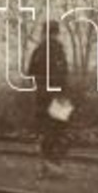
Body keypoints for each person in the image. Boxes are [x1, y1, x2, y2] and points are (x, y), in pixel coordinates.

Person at [27, 20, 72, 177]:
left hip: (42, 97)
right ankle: (56, 165)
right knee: (59, 131)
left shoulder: (38, 51)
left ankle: (46, 166)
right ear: (57, 33)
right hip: (60, 97)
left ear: (44, 32)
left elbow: (30, 74)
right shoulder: (60, 50)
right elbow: (65, 74)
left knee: (45, 131)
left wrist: (40, 87)